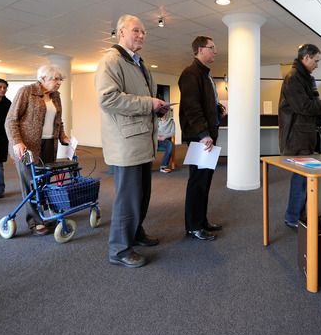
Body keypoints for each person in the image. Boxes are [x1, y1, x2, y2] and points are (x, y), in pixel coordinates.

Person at [95, 14, 169, 268]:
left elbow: (141, 100)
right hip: (126, 143)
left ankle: (135, 233)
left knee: (142, 194)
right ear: (121, 32)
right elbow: (108, 99)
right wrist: (149, 103)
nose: (141, 35)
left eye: (144, 32)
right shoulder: (111, 61)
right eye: (136, 31)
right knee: (127, 198)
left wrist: (156, 108)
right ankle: (119, 249)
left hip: (141, 141)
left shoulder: (140, 63)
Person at [278, 44, 321, 229]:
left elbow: (310, 106)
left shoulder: (304, 78)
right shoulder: (294, 78)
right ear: (305, 58)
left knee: (304, 179)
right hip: (297, 137)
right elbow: (303, 106)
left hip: (304, 135)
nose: (317, 65)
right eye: (316, 60)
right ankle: (293, 217)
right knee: (300, 180)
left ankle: (298, 215)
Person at [5, 64, 69, 236]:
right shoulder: (26, 91)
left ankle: (46, 214)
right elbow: (11, 120)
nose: (58, 83)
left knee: (45, 182)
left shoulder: (56, 96)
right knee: (31, 182)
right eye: (55, 79)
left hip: (49, 145)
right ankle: (35, 221)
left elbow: (58, 121)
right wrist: (17, 142)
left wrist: (62, 135)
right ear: (42, 79)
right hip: (26, 148)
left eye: (60, 79)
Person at [178, 35, 227, 241]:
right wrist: (204, 134)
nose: (215, 51)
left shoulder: (205, 74)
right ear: (200, 49)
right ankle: (193, 226)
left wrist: (217, 109)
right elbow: (192, 107)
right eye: (211, 47)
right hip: (200, 138)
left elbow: (205, 103)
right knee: (197, 182)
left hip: (207, 136)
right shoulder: (190, 74)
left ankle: (201, 220)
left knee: (205, 181)